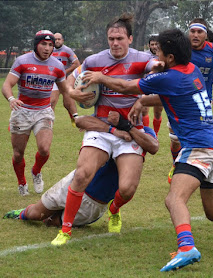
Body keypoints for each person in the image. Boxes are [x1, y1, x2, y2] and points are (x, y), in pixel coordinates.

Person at [83, 28, 213, 272]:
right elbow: (172, 97)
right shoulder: (192, 70)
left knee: (174, 199)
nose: (154, 57)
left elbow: (126, 87)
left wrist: (100, 78)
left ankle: (187, 247)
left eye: (157, 53)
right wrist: (144, 100)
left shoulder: (167, 77)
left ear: (169, 57)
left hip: (199, 148)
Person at [50, 13, 157, 246]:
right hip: (102, 127)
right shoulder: (94, 61)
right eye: (111, 38)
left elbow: (156, 69)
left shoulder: (143, 59)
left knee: (127, 188)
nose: (115, 43)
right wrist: (74, 92)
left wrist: (146, 92)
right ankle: (65, 230)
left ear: (130, 38)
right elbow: (70, 84)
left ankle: (114, 208)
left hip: (131, 130)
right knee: (82, 174)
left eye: (119, 38)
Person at [3, 113, 158, 229]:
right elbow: (79, 120)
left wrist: (128, 127)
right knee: (35, 213)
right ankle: (23, 213)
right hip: (75, 181)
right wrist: (112, 129)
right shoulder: (107, 118)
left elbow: (153, 147)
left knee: (52, 222)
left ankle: (59, 219)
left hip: (93, 201)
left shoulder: (143, 133)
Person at [1, 30, 77, 196]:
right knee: (18, 153)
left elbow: (66, 93)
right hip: (21, 111)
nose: (47, 48)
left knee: (44, 149)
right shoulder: (22, 61)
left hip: (43, 111)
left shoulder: (57, 66)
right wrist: (11, 99)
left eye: (50, 45)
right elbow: (6, 85)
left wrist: (75, 116)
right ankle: (22, 183)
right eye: (44, 44)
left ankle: (36, 171)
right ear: (36, 45)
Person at [167, 18, 213, 183]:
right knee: (175, 142)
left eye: (199, 32)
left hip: (202, 104)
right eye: (192, 31)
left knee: (197, 140)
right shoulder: (181, 51)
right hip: (178, 103)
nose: (195, 35)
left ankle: (191, 171)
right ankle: (177, 164)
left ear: (206, 34)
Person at [51, 33, 80, 110]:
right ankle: (49, 121)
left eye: (59, 39)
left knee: (68, 104)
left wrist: (65, 72)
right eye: (55, 39)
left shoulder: (67, 50)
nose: (57, 41)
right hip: (54, 80)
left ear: (62, 40)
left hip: (65, 80)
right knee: (51, 102)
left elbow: (77, 64)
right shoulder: (50, 50)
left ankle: (74, 120)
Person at [142, 35, 164, 136]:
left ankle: (155, 134)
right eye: (152, 44)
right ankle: (146, 134)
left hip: (159, 86)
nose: (154, 46)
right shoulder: (144, 56)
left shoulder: (164, 55)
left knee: (158, 112)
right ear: (149, 45)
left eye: (156, 44)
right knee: (144, 109)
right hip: (147, 86)